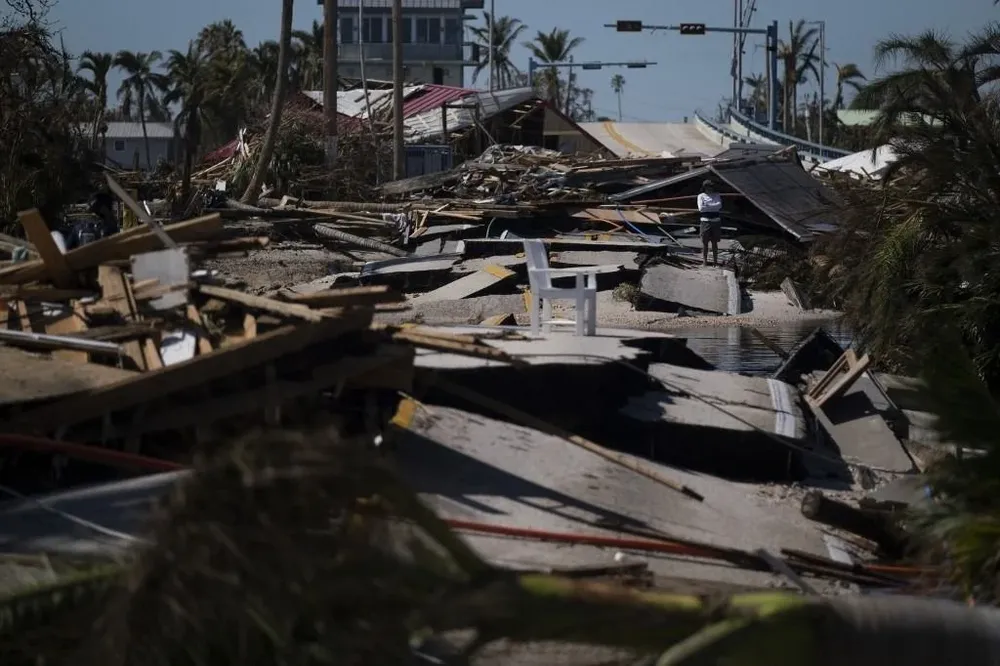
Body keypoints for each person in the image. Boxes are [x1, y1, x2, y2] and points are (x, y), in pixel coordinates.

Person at [696, 179, 723, 266]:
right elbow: (701, 208)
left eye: (711, 186)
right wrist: (713, 206)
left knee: (715, 242)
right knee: (705, 242)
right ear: (705, 187)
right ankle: (705, 261)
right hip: (705, 221)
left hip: (716, 220)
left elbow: (719, 206)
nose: (710, 188)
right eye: (708, 187)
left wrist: (708, 205)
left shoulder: (716, 195)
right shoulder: (701, 196)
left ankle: (715, 261)